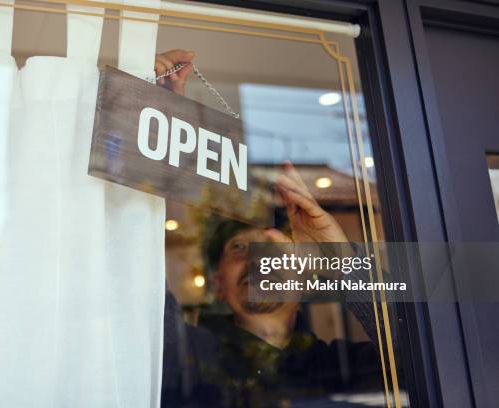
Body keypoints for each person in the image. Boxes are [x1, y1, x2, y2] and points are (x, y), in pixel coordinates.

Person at [155, 50, 387, 407]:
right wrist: (157, 122)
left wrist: (337, 253)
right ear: (218, 283)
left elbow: (431, 350)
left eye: (274, 250)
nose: (257, 258)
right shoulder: (187, 358)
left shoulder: (340, 367)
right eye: (237, 249)